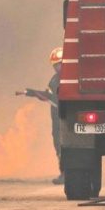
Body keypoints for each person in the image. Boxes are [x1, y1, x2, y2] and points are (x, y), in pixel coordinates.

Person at [18, 47, 65, 184]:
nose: (58, 67)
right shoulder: (54, 80)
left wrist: (34, 93)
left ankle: (68, 173)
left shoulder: (73, 78)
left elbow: (54, 98)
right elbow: (49, 96)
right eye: (56, 65)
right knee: (58, 144)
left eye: (61, 63)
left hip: (67, 116)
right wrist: (31, 92)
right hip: (57, 118)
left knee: (65, 144)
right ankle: (64, 173)